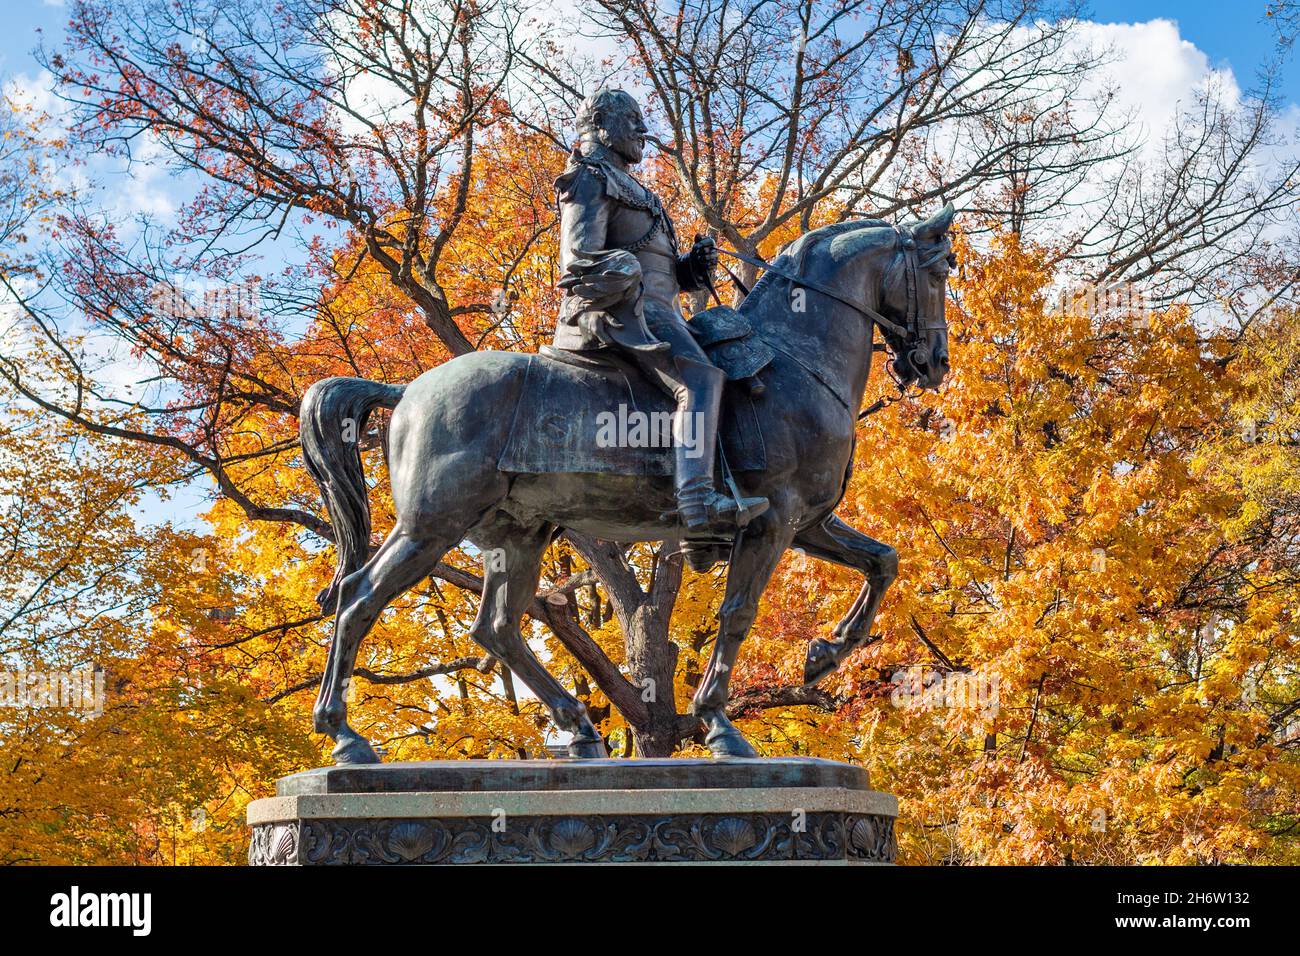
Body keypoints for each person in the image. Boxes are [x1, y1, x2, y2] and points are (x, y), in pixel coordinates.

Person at [552, 88, 769, 569]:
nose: (642, 131)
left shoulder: (631, 186)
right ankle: (697, 503)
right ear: (603, 124)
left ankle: (717, 495)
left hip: (658, 309)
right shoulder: (588, 176)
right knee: (699, 379)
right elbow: (577, 259)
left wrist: (693, 267)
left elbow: (665, 272)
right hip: (618, 311)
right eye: (632, 120)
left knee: (731, 355)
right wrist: (626, 270)